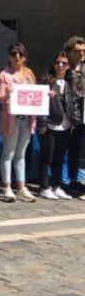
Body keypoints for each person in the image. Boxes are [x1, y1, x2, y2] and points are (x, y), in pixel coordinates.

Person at [0, 42, 37, 203]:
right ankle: (6, 187)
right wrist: (7, 95)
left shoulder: (29, 74)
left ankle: (21, 186)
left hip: (26, 118)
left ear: (25, 57)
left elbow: (35, 93)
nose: (17, 57)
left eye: (20, 54)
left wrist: (45, 95)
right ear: (9, 56)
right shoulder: (4, 75)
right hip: (11, 118)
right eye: (14, 54)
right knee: (9, 152)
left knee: (21, 153)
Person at [38, 50, 75, 200]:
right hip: (49, 124)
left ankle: (56, 186)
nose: (60, 65)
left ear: (68, 66)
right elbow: (38, 102)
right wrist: (42, 122)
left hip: (65, 125)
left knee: (59, 158)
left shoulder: (70, 83)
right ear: (53, 65)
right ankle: (44, 187)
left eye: (64, 63)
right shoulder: (46, 81)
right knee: (47, 157)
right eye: (57, 62)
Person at [64, 36, 85, 196]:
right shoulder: (63, 67)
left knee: (77, 148)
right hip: (67, 113)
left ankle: (73, 179)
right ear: (69, 51)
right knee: (62, 148)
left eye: (84, 51)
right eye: (78, 51)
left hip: (83, 114)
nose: (81, 54)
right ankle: (59, 180)